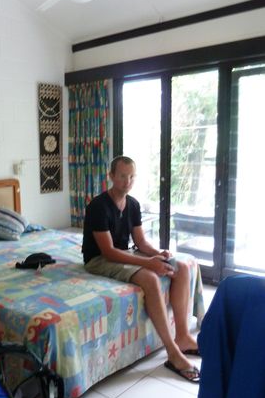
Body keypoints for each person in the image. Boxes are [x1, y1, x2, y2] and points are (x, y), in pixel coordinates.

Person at [82, 155, 200, 382]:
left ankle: (183, 336)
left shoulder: (133, 204)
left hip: (123, 253)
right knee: (150, 278)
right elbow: (108, 252)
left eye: (131, 177)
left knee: (182, 267)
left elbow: (141, 242)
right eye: (122, 176)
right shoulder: (98, 206)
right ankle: (173, 352)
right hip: (99, 259)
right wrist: (148, 263)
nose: (127, 181)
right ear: (111, 176)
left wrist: (158, 254)